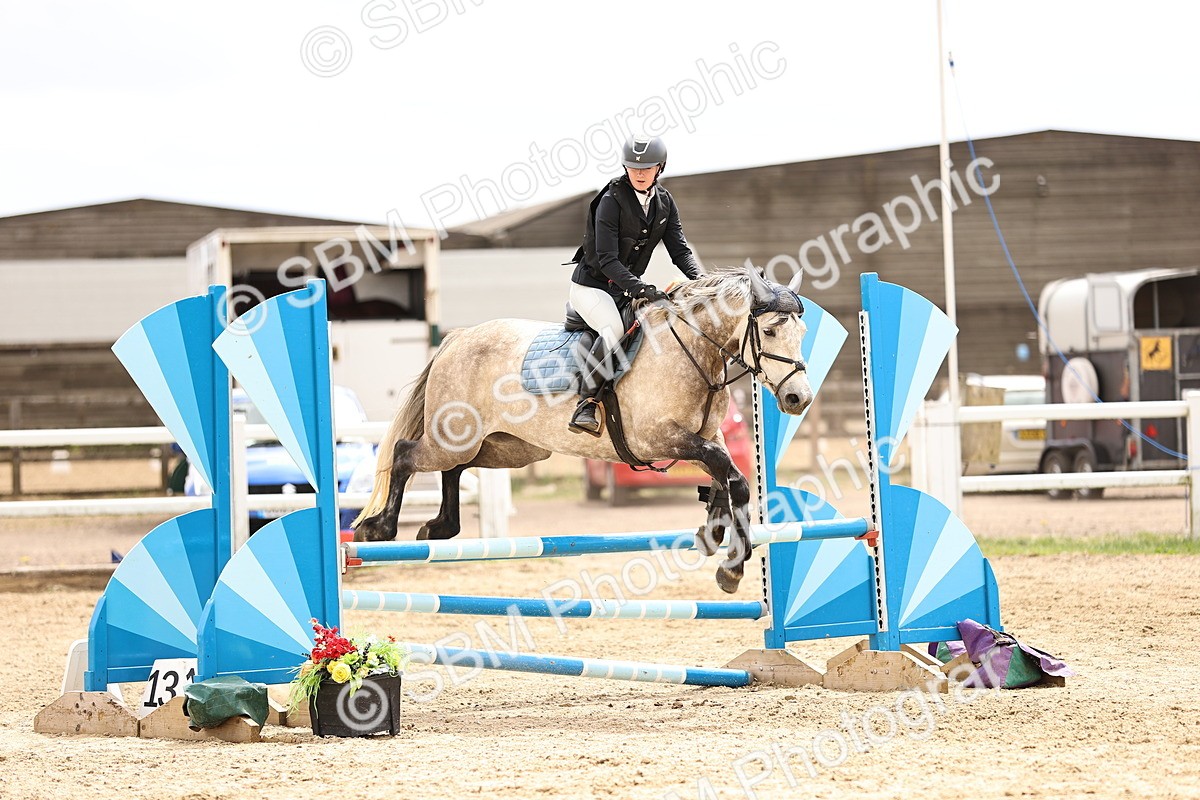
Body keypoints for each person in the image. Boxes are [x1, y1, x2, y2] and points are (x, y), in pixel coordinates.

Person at [567, 135, 705, 434]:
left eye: (647, 168)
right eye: (633, 167)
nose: (639, 173)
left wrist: (702, 281)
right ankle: (586, 403)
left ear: (660, 168)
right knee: (614, 330)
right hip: (592, 288)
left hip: (624, 290)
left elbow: (680, 251)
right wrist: (642, 289)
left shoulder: (664, 202)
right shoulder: (610, 201)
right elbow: (607, 260)